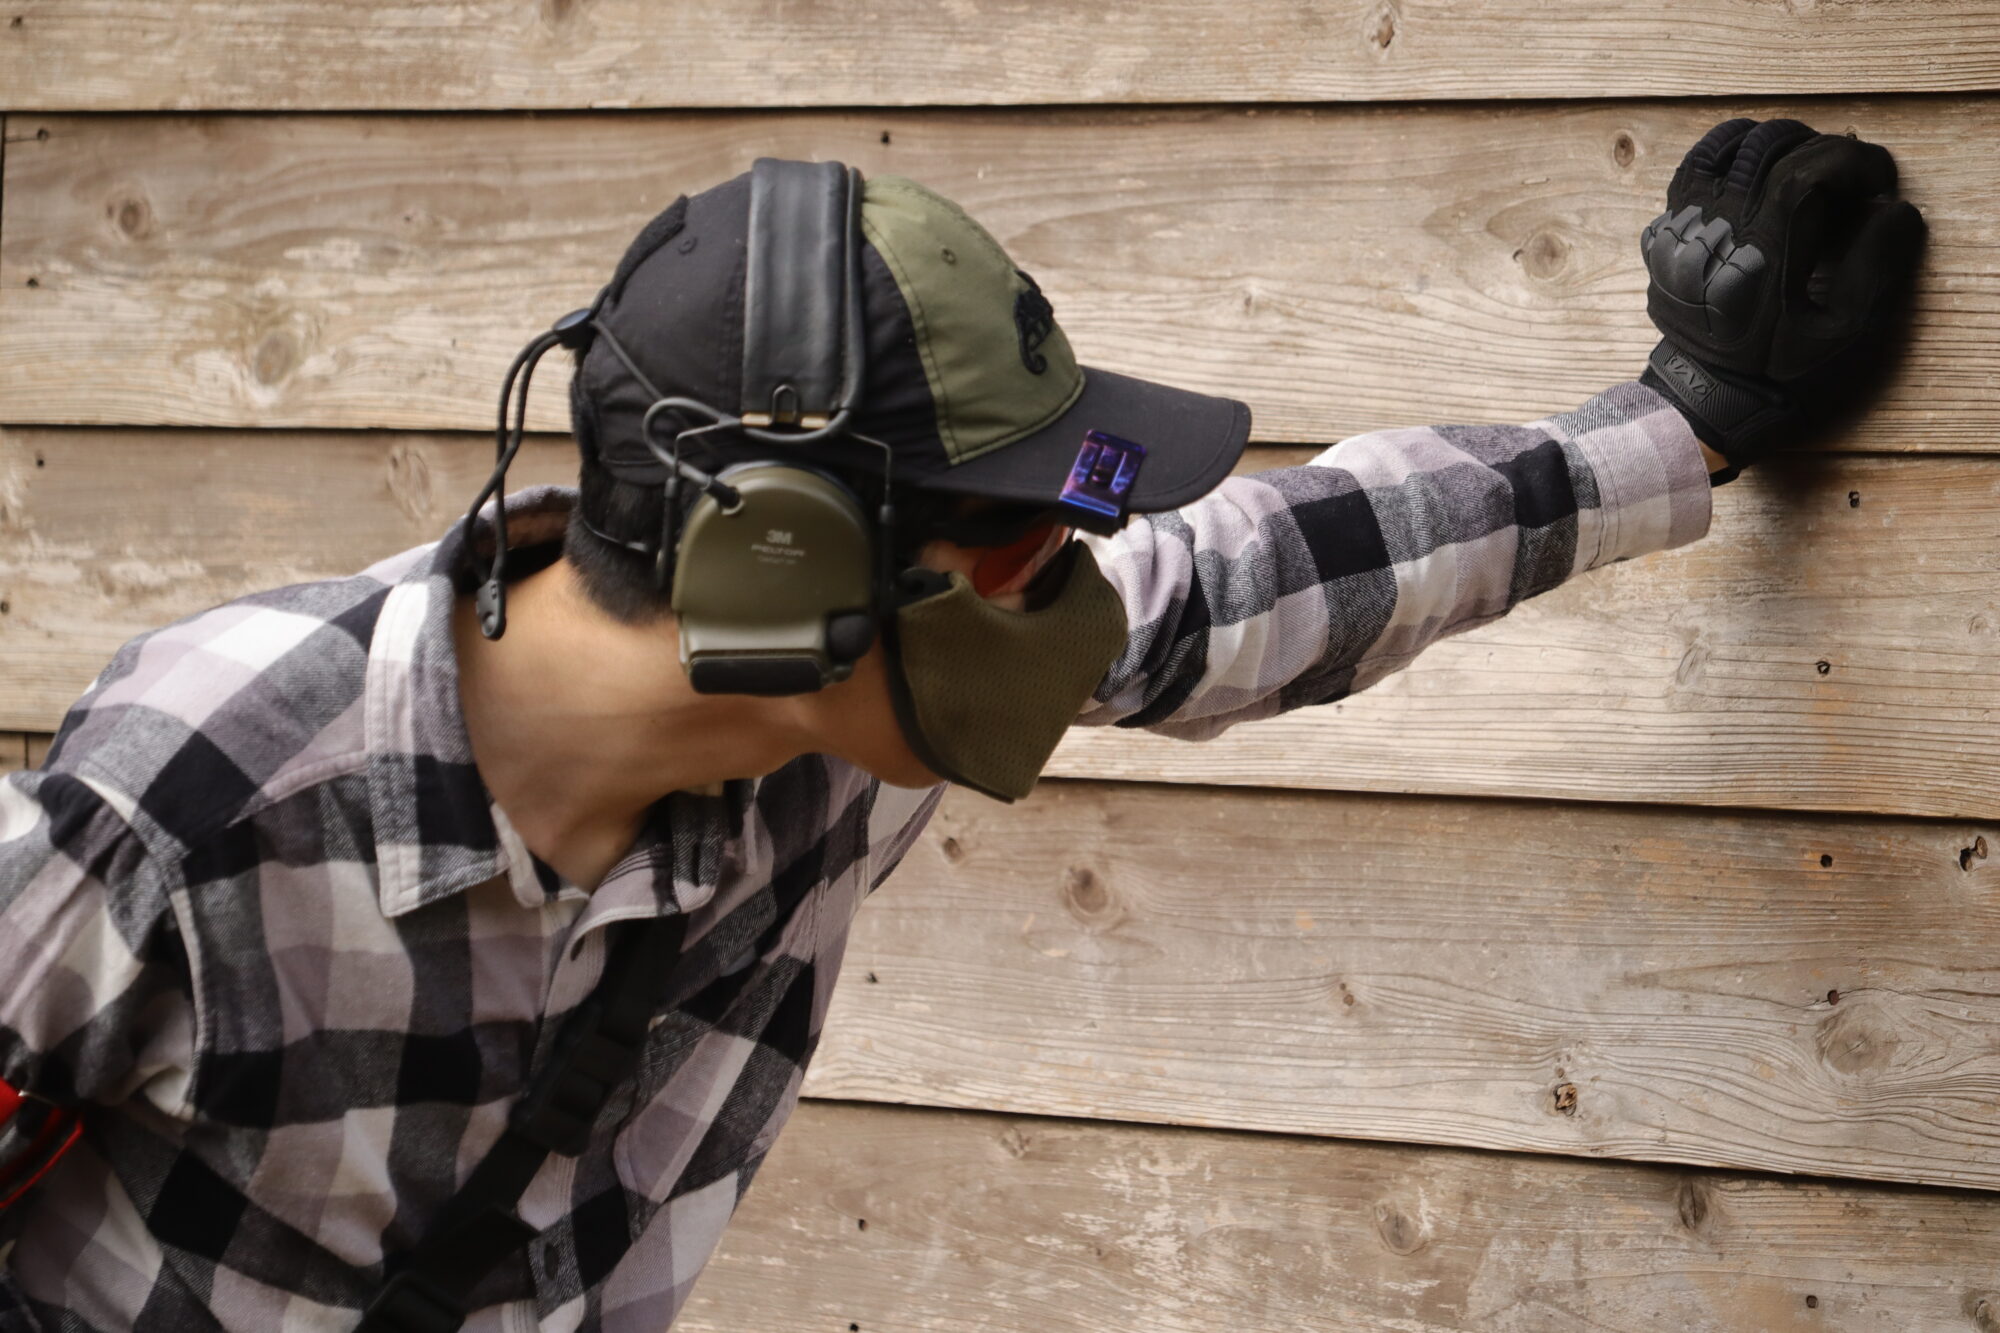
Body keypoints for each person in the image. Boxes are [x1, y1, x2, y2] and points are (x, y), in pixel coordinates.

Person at [0, 119, 1921, 1331]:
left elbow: (1260, 577)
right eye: (1021, 548)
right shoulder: (206, 783)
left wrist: (1681, 422)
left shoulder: (830, 720)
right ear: (776, 558)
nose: (1072, 598)